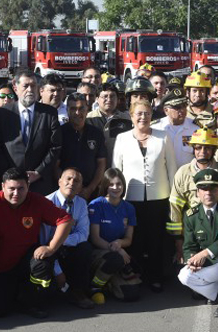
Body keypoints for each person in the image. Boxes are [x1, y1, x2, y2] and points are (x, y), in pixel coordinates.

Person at [0, 168, 72, 318]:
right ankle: (13, 296)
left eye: (21, 188)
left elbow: (66, 220)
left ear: (28, 186)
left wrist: (51, 247)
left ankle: (32, 302)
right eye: (11, 189)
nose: (16, 193)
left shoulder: (36, 201)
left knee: (43, 263)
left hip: (26, 262)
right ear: (3, 186)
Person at [113, 100, 177, 291]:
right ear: (131, 116)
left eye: (147, 113)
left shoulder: (163, 137)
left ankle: (156, 276)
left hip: (159, 197)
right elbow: (117, 170)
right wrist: (117, 199)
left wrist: (173, 196)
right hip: (131, 198)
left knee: (156, 239)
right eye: (139, 114)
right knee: (135, 239)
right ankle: (136, 275)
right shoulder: (122, 138)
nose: (143, 117)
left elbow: (172, 169)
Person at [177, 169, 218, 318]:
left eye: (212, 188)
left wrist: (205, 253)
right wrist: (192, 259)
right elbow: (189, 246)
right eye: (203, 189)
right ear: (197, 193)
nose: (208, 193)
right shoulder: (191, 216)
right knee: (184, 275)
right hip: (212, 265)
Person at [0, 71, 62, 195]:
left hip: (40, 183)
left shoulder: (49, 113)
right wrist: (10, 175)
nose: (30, 90)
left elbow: (55, 147)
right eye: (25, 86)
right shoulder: (2, 113)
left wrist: (39, 172)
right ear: (15, 88)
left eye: (33, 85)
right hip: (10, 184)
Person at [168, 128, 218, 255]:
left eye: (207, 148)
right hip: (192, 228)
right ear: (193, 149)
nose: (202, 152)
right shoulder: (183, 172)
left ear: (214, 150)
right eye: (198, 148)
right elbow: (174, 206)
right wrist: (178, 239)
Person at [44, 168, 95, 309]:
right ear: (59, 181)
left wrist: (60, 241)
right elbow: (44, 240)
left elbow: (83, 234)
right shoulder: (46, 203)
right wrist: (58, 271)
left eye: (76, 181)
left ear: (80, 187)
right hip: (49, 251)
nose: (72, 183)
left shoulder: (81, 204)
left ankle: (78, 292)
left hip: (66, 246)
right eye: (68, 179)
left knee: (85, 248)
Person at [88, 168, 140, 303]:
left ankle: (108, 283)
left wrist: (120, 243)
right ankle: (94, 287)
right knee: (115, 259)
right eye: (111, 184)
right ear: (105, 186)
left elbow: (128, 239)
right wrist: (117, 249)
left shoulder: (129, 208)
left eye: (119, 184)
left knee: (132, 294)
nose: (115, 188)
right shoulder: (96, 205)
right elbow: (95, 239)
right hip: (98, 253)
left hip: (118, 254)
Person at [59, 93, 107, 199]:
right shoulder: (59, 133)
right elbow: (55, 166)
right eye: (73, 108)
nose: (77, 112)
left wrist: (90, 188)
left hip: (90, 192)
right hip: (65, 192)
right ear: (67, 110)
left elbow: (101, 164)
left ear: (87, 109)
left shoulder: (96, 133)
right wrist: (66, 188)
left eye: (81, 108)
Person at [150, 88, 199, 168]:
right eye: (177, 107)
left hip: (186, 176)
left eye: (184, 106)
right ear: (166, 110)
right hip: (163, 175)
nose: (182, 110)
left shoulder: (195, 129)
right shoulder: (156, 128)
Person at [86, 82, 132, 164]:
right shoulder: (88, 119)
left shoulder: (127, 119)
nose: (109, 99)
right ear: (97, 99)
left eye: (112, 96)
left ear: (117, 99)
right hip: (94, 167)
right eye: (105, 96)